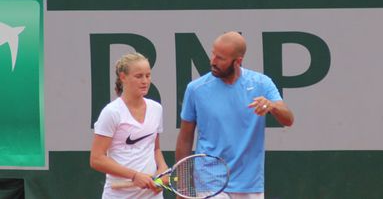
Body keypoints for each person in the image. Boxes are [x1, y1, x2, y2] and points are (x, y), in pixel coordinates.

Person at [175, 31, 294, 199]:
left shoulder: (262, 84)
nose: (213, 61)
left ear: (238, 61)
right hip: (209, 180)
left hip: (249, 182)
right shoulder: (195, 89)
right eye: (213, 54)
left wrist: (272, 106)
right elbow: (185, 137)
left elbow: (288, 119)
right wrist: (183, 185)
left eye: (220, 58)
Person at [90, 52, 168, 199]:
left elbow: (155, 148)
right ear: (123, 77)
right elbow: (96, 159)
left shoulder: (156, 109)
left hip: (152, 195)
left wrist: (163, 169)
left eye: (148, 75)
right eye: (138, 76)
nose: (145, 81)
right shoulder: (111, 112)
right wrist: (134, 176)